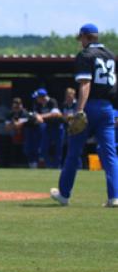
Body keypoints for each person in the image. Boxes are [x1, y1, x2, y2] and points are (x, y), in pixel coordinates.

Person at [51, 23, 118, 208]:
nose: (80, 42)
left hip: (90, 106)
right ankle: (114, 197)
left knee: (73, 152)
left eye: (81, 38)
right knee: (110, 153)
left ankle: (64, 194)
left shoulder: (85, 55)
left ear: (86, 37)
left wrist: (79, 110)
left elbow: (85, 84)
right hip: (107, 109)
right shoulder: (110, 55)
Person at [32, 88, 64, 168]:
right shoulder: (38, 104)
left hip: (57, 127)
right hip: (47, 127)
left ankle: (57, 166)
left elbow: (55, 114)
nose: (36, 99)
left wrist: (41, 116)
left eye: (37, 97)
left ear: (42, 97)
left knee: (58, 148)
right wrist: (37, 116)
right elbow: (35, 113)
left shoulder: (52, 101)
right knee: (44, 147)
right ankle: (47, 165)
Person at [5, 97, 30, 166]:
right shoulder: (10, 114)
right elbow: (7, 128)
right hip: (14, 139)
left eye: (18, 105)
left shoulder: (25, 113)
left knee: (26, 156)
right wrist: (14, 123)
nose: (16, 107)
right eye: (15, 106)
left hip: (27, 138)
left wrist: (13, 123)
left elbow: (18, 125)